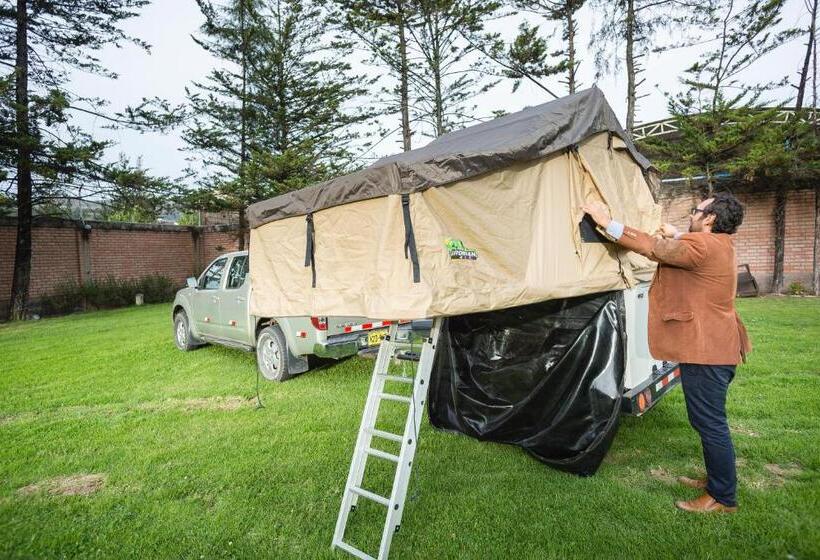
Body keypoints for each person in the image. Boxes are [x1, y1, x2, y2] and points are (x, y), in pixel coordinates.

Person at [581, 192, 752, 514]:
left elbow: (653, 248)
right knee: (707, 421)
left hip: (709, 351)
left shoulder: (702, 246)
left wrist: (606, 223)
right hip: (716, 346)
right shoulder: (719, 244)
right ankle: (717, 479)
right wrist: (676, 234)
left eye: (696, 211)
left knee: (710, 423)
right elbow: (683, 247)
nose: (693, 214)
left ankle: (722, 497)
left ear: (710, 218)